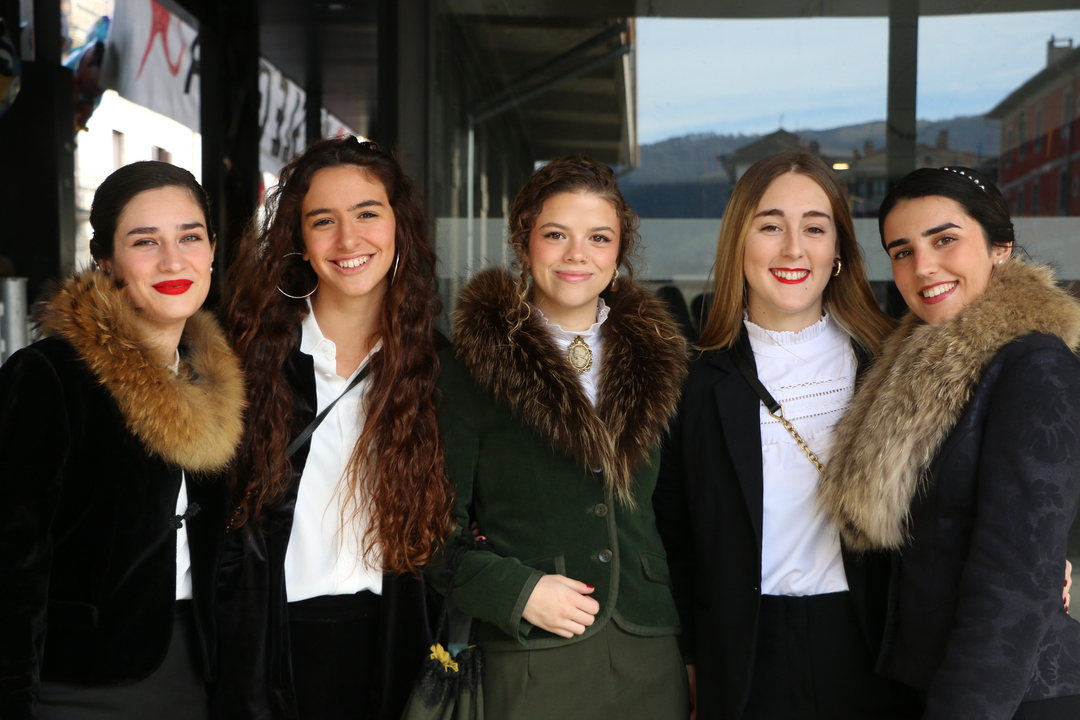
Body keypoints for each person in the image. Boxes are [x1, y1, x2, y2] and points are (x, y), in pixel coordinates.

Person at [653, 151, 913, 719]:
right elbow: (673, 540)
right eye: (770, 226)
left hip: (869, 646)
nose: (794, 248)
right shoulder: (690, 384)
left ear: (838, 251)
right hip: (742, 654)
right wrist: (688, 656)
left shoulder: (893, 365)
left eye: (815, 228)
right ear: (737, 244)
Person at [432, 155, 690, 718]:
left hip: (651, 649)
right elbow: (428, 532)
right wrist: (515, 591)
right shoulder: (468, 370)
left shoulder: (661, 364)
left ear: (619, 253)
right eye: (556, 235)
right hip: (529, 649)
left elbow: (679, 518)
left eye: (599, 237)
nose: (577, 254)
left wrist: (694, 651)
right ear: (524, 244)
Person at [820, 166, 1080, 719]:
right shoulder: (912, 367)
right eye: (902, 251)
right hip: (927, 683)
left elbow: (1017, 578)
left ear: (1000, 248)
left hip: (1006, 696)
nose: (923, 266)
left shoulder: (1034, 364)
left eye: (944, 240)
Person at [215, 136, 453, 720]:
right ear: (299, 238)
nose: (348, 240)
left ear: (399, 225)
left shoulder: (439, 368)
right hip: (267, 646)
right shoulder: (246, 359)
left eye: (367, 213)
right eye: (324, 220)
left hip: (399, 642)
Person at [0, 161, 245, 719]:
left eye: (190, 237)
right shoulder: (49, 375)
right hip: (75, 684)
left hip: (198, 671)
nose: (173, 260)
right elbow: (11, 562)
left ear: (212, 249)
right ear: (106, 261)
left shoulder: (219, 378)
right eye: (145, 241)